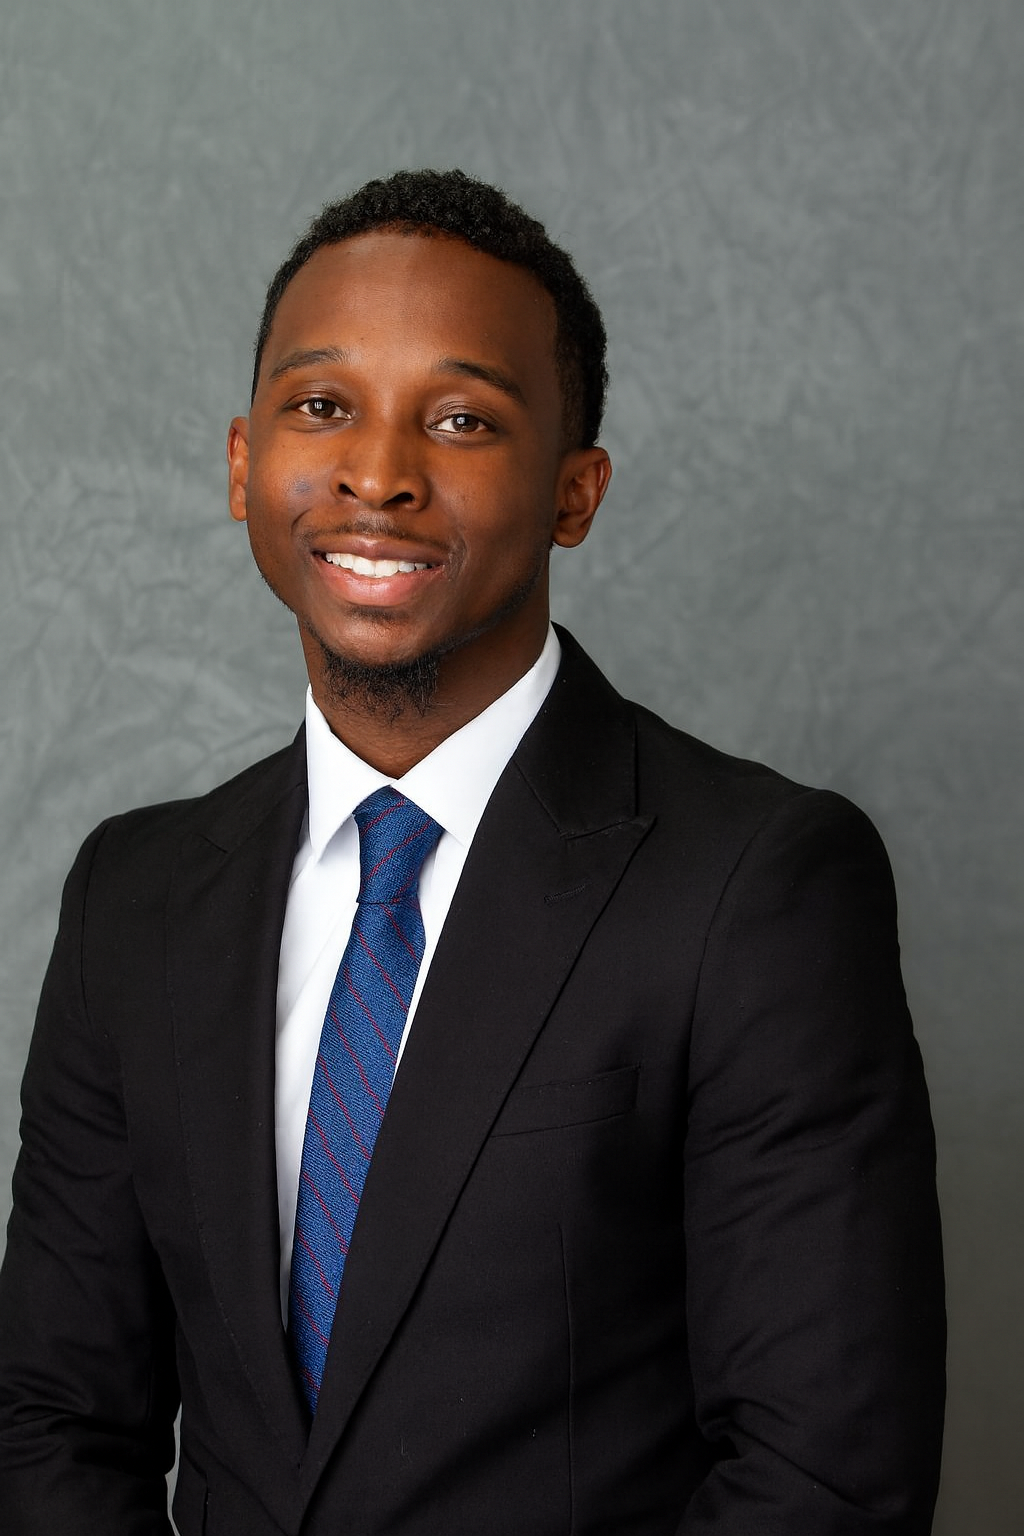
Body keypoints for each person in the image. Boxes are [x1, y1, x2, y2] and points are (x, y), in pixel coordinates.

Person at [0, 169, 945, 1535]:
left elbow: (823, 1478)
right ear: (242, 464)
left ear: (576, 491)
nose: (378, 472)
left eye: (461, 420)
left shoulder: (757, 888)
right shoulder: (134, 900)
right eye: (322, 405)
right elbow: (53, 1422)